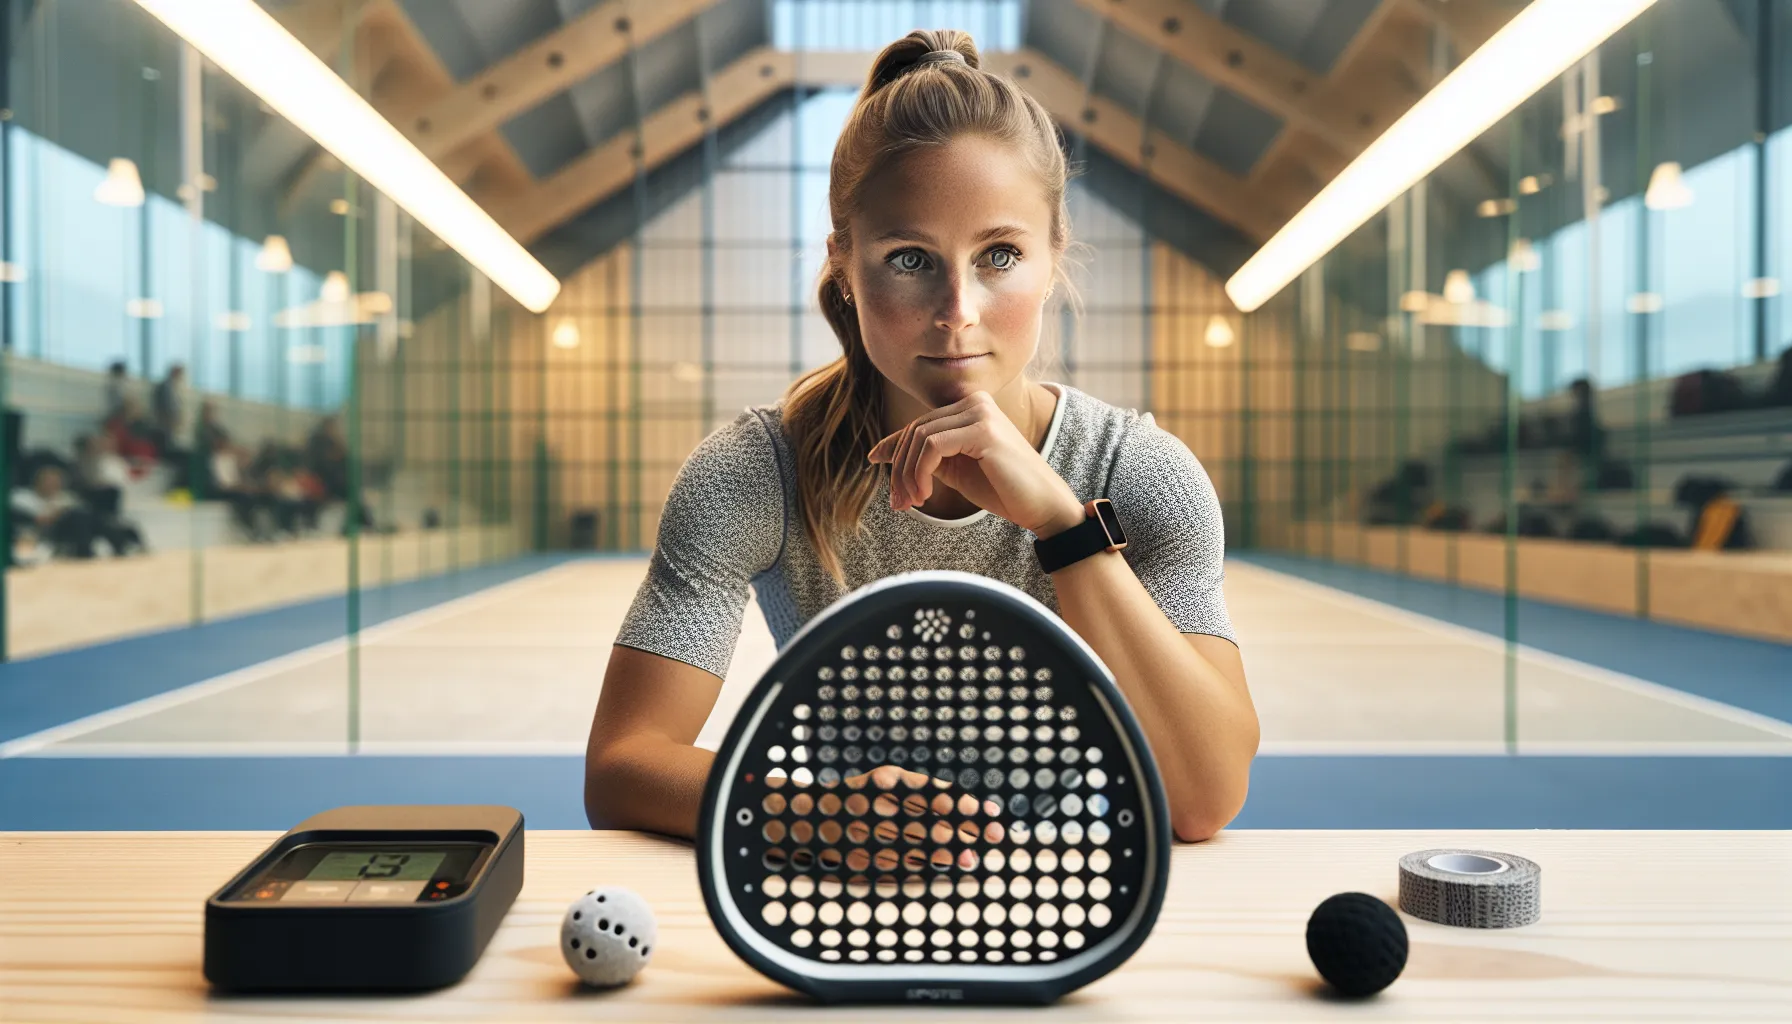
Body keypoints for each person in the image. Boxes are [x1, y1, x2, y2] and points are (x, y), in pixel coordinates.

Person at [582, 30, 1257, 844]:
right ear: (845, 262)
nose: (959, 311)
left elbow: (1204, 797)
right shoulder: (757, 473)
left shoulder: (1139, 475)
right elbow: (624, 765)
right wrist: (812, 817)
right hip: (835, 895)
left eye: (999, 254)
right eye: (909, 259)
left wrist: (1065, 528)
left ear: (1052, 258)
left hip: (1059, 889)